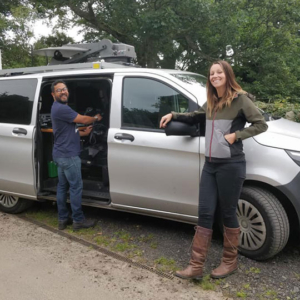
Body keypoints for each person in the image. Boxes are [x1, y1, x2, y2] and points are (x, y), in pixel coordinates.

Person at [160, 60, 268, 280]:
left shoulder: (240, 100)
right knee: (205, 212)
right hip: (210, 164)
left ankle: (230, 262)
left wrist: (235, 136)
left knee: (228, 212)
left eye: (219, 72)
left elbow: (261, 123)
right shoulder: (211, 101)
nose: (215, 76)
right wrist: (173, 114)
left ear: (227, 75)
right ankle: (196, 266)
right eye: (212, 73)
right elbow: (195, 116)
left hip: (231, 165)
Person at [51, 80, 102, 231]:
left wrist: (83, 132)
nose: (63, 92)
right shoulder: (61, 108)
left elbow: (65, 131)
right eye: (59, 90)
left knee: (62, 186)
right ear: (53, 94)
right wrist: (96, 118)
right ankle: (78, 220)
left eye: (64, 89)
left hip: (60, 154)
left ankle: (62, 219)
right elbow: (83, 119)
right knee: (76, 187)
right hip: (69, 155)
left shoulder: (58, 108)